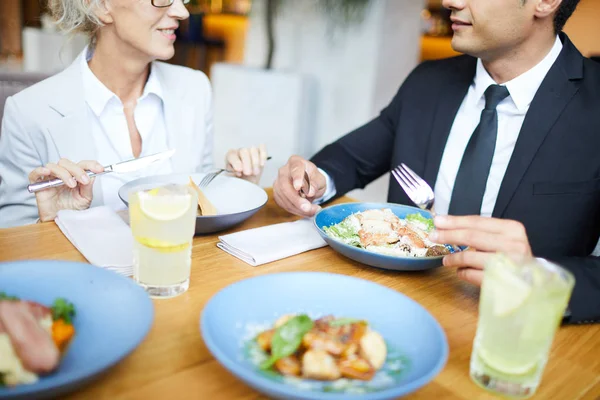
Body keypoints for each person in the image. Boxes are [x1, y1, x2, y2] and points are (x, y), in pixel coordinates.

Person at [273, 0, 600, 324]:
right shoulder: (428, 82)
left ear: (544, 3)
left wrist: (540, 278)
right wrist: (311, 179)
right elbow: (349, 158)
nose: (450, 2)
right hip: (393, 308)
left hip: (514, 333)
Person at [0, 0, 267, 228]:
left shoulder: (195, 89)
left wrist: (237, 187)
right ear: (101, 5)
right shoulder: (28, 112)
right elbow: (12, 246)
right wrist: (50, 224)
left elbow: (199, 196)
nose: (182, 12)